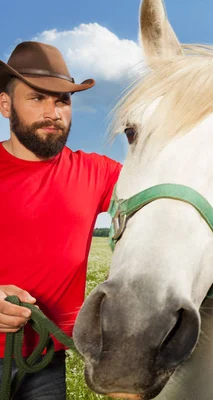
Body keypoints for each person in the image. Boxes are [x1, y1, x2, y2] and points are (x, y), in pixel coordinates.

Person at [0, 41, 122, 399]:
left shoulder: (97, 172)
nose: (53, 112)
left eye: (62, 100)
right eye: (37, 98)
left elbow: (163, 190)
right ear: (6, 106)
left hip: (45, 359)